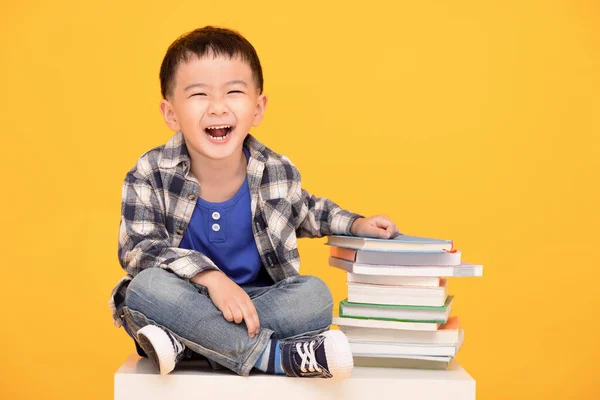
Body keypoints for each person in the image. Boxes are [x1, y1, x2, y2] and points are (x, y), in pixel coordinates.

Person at [108, 26, 400, 380]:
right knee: (144, 289)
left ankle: (192, 343)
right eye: (199, 94)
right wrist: (209, 278)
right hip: (182, 300)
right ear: (171, 113)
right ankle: (273, 356)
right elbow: (138, 249)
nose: (218, 107)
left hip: (257, 303)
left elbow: (309, 210)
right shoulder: (149, 173)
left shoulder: (276, 171)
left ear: (258, 108)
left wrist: (355, 224)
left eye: (233, 92)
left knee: (316, 296)